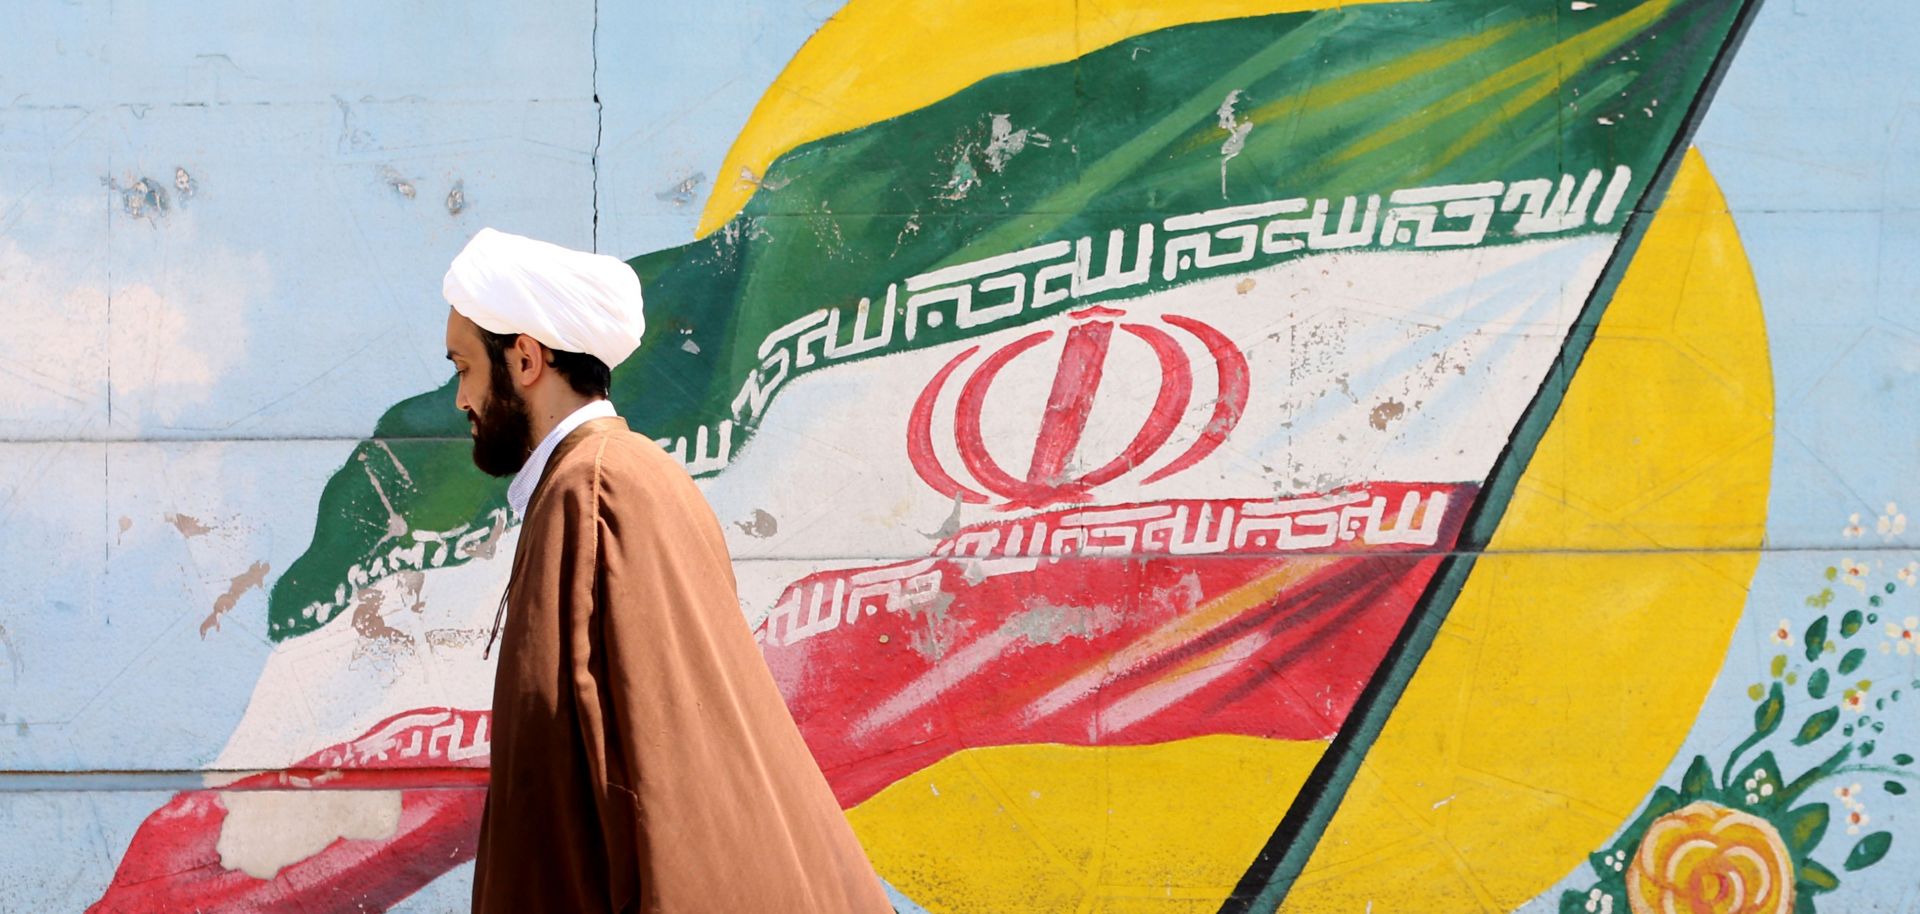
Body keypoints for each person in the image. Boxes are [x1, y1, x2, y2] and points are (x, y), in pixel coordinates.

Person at [441, 228, 894, 913]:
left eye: (464, 367)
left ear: (526, 359)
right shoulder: (637, 473)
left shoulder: (587, 493)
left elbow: (562, 775)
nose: (460, 398)